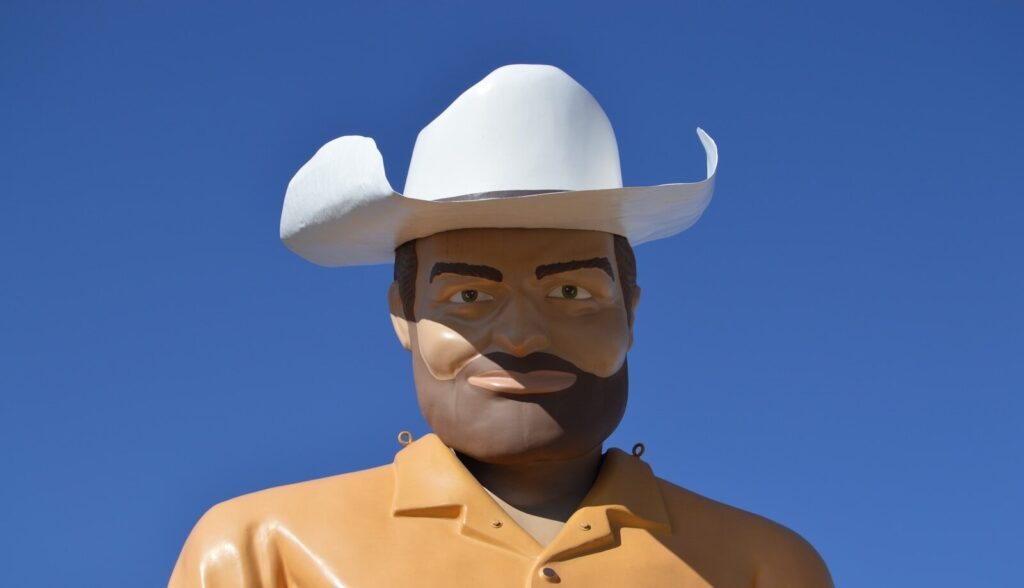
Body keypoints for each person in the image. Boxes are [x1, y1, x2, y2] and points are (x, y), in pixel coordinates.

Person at [169, 64, 832, 587]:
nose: (520, 335)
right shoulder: (259, 552)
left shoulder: (763, 569)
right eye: (468, 296)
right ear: (405, 317)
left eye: (572, 290)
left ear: (630, 312)